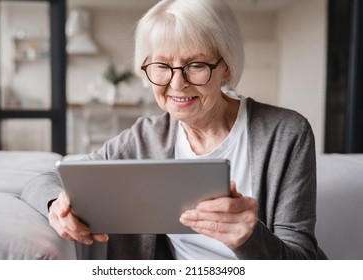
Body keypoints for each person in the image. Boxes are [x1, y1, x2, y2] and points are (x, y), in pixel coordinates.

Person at [21, 0, 318, 259]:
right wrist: (56, 206)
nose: (177, 84)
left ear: (226, 67)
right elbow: (42, 182)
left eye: (196, 65)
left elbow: (302, 261)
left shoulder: (287, 133)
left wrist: (249, 237)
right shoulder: (143, 138)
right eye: (162, 65)